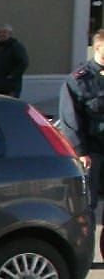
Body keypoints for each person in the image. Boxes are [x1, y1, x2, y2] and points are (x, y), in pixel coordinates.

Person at [59, 30, 104, 211]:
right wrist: (80, 151)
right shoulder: (79, 80)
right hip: (92, 152)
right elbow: (70, 119)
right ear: (98, 48)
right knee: (88, 204)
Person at [0, 25, 29, 97]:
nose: (2, 34)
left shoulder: (16, 46)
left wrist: (12, 76)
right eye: (0, 32)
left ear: (10, 34)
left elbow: (23, 63)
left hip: (10, 86)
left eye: (4, 32)